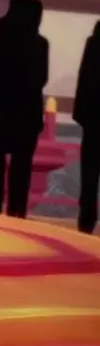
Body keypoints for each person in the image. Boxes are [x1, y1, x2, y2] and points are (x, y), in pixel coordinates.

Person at [0, 0, 49, 218]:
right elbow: (42, 78)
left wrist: (5, 86)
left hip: (6, 105)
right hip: (29, 108)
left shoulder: (10, 44)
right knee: (23, 162)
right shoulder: (41, 44)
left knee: (1, 157)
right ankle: (18, 208)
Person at [74, 21, 100, 234]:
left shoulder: (93, 43)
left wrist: (81, 115)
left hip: (93, 119)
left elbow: (84, 79)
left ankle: (86, 219)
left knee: (89, 174)